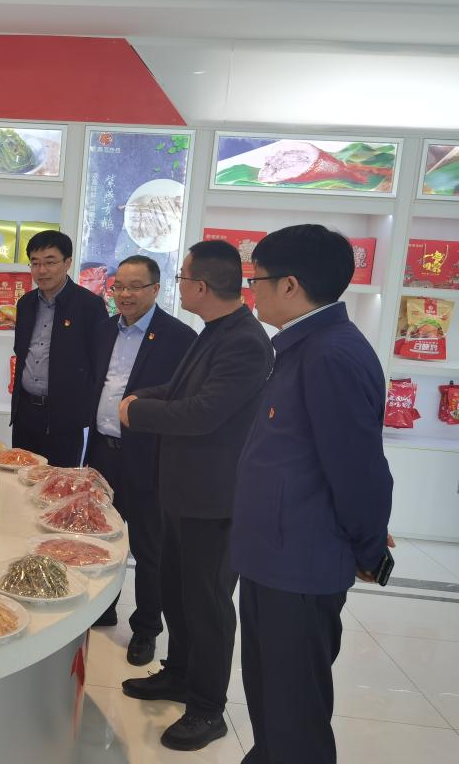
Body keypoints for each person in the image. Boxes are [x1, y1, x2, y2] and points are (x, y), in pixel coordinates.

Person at [233, 224, 393, 764]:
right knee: (270, 700)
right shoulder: (303, 346)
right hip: (271, 556)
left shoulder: (331, 355)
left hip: (299, 566)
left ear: (290, 285)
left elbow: (359, 470)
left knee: (295, 713)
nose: (252, 291)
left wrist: (370, 546)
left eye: (257, 280)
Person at [118, 240, 274, 751]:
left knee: (207, 605)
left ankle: (207, 709)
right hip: (183, 492)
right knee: (178, 592)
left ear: (201, 286)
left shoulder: (246, 342)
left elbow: (203, 413)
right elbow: (181, 390)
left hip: (214, 500)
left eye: (183, 278)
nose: (179, 286)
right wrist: (141, 397)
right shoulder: (215, 330)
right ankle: (180, 674)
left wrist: (137, 412)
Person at [84, 255, 196, 663]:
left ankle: (147, 628)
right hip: (102, 452)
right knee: (101, 538)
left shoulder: (179, 337)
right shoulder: (103, 329)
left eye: (135, 287)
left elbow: (181, 400)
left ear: (155, 289)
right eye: (119, 287)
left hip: (149, 457)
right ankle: (104, 607)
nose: (125, 295)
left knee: (150, 549)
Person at [12, 230, 108, 466]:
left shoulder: (90, 305)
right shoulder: (25, 303)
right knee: (19, 477)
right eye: (35, 263)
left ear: (67, 263)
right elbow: (21, 351)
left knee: (60, 482)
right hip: (25, 413)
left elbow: (99, 363)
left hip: (65, 419)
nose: (42, 270)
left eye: (50, 262)